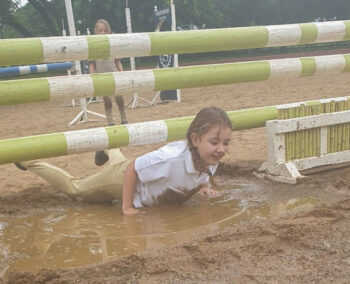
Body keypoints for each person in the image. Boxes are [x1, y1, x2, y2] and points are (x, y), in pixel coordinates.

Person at [15, 107, 232, 215]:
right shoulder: (170, 159)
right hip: (121, 180)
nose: (221, 149)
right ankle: (27, 160)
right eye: (215, 142)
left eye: (226, 143)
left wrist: (203, 186)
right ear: (195, 139)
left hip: (137, 169)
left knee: (125, 162)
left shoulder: (210, 156)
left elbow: (203, 172)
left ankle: (109, 144)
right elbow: (132, 170)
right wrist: (127, 207)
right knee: (77, 191)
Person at [90, 19, 128, 126]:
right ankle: (110, 121)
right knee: (107, 101)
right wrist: (92, 77)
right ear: (95, 32)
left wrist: (122, 73)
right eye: (100, 31)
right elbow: (92, 64)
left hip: (114, 76)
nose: (102, 33)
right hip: (102, 78)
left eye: (105, 31)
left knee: (119, 98)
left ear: (109, 32)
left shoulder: (112, 46)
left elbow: (117, 62)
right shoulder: (93, 48)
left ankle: (123, 117)